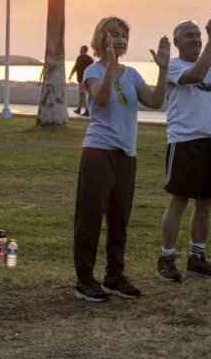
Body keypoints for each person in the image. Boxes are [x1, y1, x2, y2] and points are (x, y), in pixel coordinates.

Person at [73, 17, 170, 302]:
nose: (120, 40)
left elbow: (155, 101)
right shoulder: (92, 70)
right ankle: (84, 280)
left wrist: (163, 70)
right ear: (101, 37)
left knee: (119, 218)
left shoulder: (132, 74)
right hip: (98, 152)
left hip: (127, 154)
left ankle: (114, 276)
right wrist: (110, 66)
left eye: (124, 35)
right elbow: (101, 100)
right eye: (114, 35)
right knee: (89, 217)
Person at [157, 16, 211, 283]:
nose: (195, 38)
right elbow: (193, 76)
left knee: (206, 203)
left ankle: (197, 257)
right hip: (184, 141)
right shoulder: (172, 66)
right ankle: (166, 258)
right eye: (189, 35)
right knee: (179, 201)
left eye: (197, 35)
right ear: (177, 41)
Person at [68, 45, 94, 116]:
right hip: (88, 79)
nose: (79, 50)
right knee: (82, 95)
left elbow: (75, 67)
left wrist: (71, 75)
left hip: (82, 79)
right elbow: (93, 69)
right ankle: (79, 109)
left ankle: (87, 111)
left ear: (83, 50)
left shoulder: (80, 58)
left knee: (83, 95)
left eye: (80, 49)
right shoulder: (90, 59)